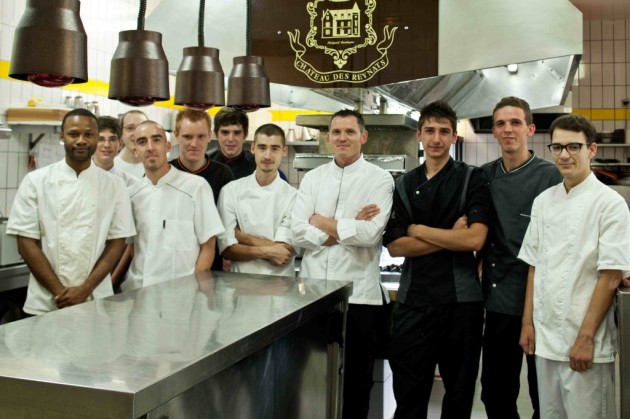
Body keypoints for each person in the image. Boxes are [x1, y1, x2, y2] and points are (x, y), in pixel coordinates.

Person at [382, 100, 491, 419]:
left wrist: (419, 230)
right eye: (429, 131)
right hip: (414, 303)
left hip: (462, 305)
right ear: (419, 135)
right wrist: (449, 236)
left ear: (454, 137)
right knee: (409, 398)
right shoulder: (404, 183)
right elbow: (396, 247)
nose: (436, 138)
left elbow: (474, 239)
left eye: (444, 131)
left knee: (458, 398)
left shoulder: (472, 178)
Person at [518, 114, 630, 419]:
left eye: (573, 147)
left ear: (591, 150)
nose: (564, 155)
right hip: (546, 340)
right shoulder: (543, 201)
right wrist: (528, 323)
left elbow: (611, 276)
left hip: (586, 341)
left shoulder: (609, 203)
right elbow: (534, 266)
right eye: (557, 147)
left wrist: (585, 337)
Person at [291, 109, 394, 418]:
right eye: (336, 132)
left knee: (357, 383)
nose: (342, 137)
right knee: (311, 381)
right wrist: (349, 225)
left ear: (363, 136)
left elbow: (370, 234)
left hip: (360, 298)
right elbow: (297, 231)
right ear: (328, 137)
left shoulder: (380, 179)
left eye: (350, 131)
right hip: (314, 296)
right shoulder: (313, 178)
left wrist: (320, 221)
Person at [479, 97, 562, 419]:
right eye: (500, 124)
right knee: (495, 392)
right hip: (499, 300)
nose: (507, 129)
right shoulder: (484, 176)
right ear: (494, 132)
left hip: (542, 302)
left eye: (515, 122)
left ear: (530, 129)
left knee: (546, 395)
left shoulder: (551, 177)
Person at [6, 109, 135, 315]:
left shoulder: (114, 185)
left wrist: (85, 289)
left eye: (88, 134)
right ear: (62, 136)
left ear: (95, 138)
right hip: (46, 302)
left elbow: (117, 242)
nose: (81, 140)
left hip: (93, 299)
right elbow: (25, 242)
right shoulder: (36, 181)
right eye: (73, 134)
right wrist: (60, 292)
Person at [123, 121, 224, 290]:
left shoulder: (195, 187)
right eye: (142, 142)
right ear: (135, 151)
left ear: (168, 146)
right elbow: (133, 246)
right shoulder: (131, 194)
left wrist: (195, 289)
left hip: (180, 294)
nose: (150, 147)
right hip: (137, 290)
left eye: (156, 140)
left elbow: (208, 246)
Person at [218, 123, 297, 276]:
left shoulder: (293, 196)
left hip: (280, 285)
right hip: (241, 283)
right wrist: (270, 251)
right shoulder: (231, 191)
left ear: (284, 151)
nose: (267, 155)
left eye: (274, 148)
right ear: (253, 149)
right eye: (262, 147)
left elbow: (284, 252)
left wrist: (241, 237)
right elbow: (227, 249)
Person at [169, 109, 234, 272]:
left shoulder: (223, 174)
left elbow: (229, 223)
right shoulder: (166, 172)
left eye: (201, 136)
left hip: (214, 267)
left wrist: (228, 256)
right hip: (172, 265)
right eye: (187, 136)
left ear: (210, 136)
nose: (194, 144)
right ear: (176, 136)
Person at [208, 107, 256, 180]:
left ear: (245, 134)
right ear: (216, 134)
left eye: (237, 133)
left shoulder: (256, 165)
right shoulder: (205, 163)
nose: (230, 139)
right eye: (225, 132)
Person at [94, 116, 138, 187]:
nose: (107, 145)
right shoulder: (77, 179)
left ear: (120, 144)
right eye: (101, 139)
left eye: (112, 139)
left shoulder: (131, 184)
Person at [114, 110, 148, 178]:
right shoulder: (111, 166)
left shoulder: (158, 167)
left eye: (142, 128)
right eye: (130, 128)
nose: (136, 133)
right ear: (121, 133)